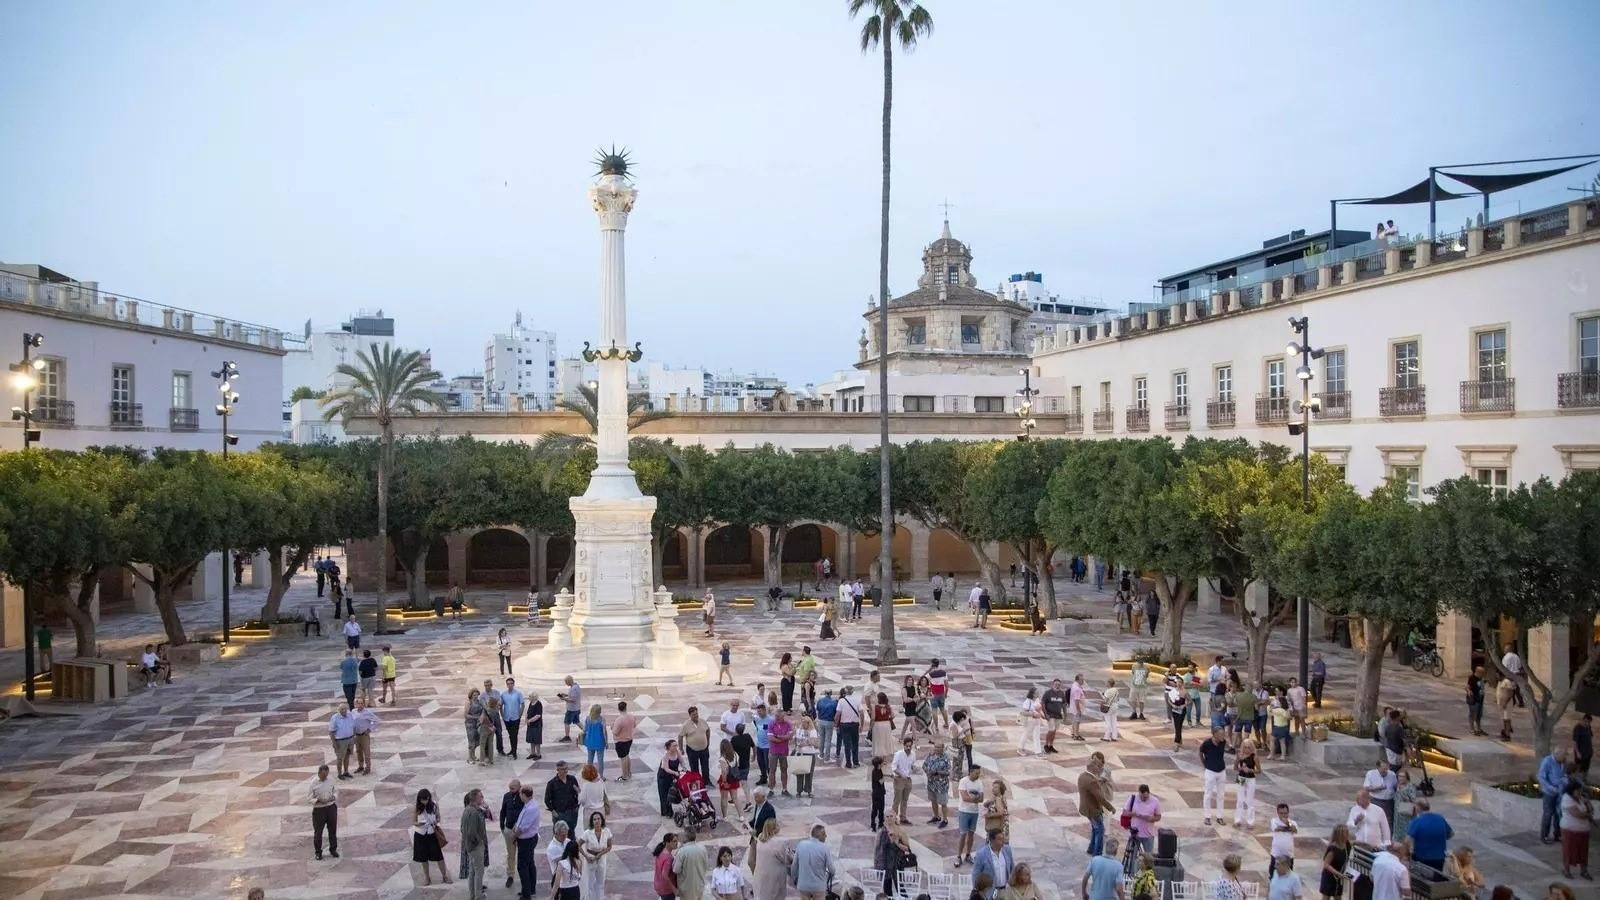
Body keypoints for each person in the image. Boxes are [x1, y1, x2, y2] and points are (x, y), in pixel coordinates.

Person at [412, 788, 451, 886]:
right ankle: (427, 878)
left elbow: (438, 817)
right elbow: (414, 821)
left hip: (431, 833)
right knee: (423, 858)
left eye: (426, 799)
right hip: (420, 834)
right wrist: (419, 824)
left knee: (439, 856)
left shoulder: (434, 805)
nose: (425, 801)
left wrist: (436, 821)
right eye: (423, 800)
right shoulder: (417, 807)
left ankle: (444, 876)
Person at [1078, 754, 1114, 857]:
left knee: (1095, 829)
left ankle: (1091, 848)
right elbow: (1101, 798)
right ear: (1093, 768)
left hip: (1086, 808)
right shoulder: (1092, 781)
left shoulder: (1082, 776)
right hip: (1093, 810)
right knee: (1100, 830)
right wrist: (1111, 808)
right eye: (1097, 767)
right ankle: (1097, 853)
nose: (1099, 769)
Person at [1406, 796, 1453, 872]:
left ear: (1418, 807)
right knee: (1437, 878)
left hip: (1422, 857)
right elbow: (1450, 834)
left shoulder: (1417, 821)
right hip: (1439, 857)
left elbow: (1407, 840)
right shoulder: (1440, 818)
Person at [750, 819, 793, 900]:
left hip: (761, 875)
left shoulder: (760, 838)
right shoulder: (779, 843)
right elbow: (786, 859)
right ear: (774, 828)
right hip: (774, 877)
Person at [791, 823, 836, 900]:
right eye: (824, 834)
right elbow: (832, 869)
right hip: (818, 887)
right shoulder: (825, 848)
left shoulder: (801, 844)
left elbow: (794, 865)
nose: (826, 836)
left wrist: (795, 878)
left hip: (803, 885)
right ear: (819, 836)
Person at [460, 788, 490, 897]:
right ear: (475, 798)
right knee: (479, 872)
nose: (482, 798)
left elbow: (462, 828)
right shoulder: (473, 812)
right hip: (475, 847)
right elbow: (471, 832)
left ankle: (472, 894)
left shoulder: (468, 809)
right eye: (481, 796)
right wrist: (479, 841)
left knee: (472, 871)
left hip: (470, 847)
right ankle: (478, 895)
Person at [1561, 780, 1593, 879]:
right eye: (1578, 790)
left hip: (1583, 830)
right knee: (1569, 851)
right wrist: (1588, 815)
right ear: (1572, 790)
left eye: (1580, 790)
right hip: (1570, 830)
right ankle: (1567, 870)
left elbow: (1591, 809)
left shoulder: (1580, 798)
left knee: (1583, 851)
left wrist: (1587, 802)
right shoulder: (1566, 799)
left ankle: (1584, 871)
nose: (1579, 792)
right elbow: (1577, 814)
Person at [579, 810, 615, 900]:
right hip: (590, 858)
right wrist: (586, 856)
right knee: (590, 883)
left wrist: (600, 854)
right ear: (592, 821)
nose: (597, 821)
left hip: (602, 858)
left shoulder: (606, 831)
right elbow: (578, 845)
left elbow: (609, 846)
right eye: (594, 819)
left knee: (600, 882)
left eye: (598, 819)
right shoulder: (587, 833)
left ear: (602, 820)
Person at [954, 764, 985, 867]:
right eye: (976, 773)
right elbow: (964, 798)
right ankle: (958, 856)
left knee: (971, 834)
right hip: (964, 811)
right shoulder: (963, 781)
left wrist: (973, 798)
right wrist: (975, 799)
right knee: (963, 834)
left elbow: (981, 799)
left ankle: (968, 854)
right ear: (971, 772)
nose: (978, 775)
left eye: (979, 773)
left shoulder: (979, 782)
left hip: (974, 812)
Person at [972, 831, 1015, 900]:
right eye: (1000, 839)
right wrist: (977, 891)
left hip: (1005, 889)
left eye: (1003, 838)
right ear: (992, 840)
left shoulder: (1007, 849)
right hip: (990, 891)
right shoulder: (981, 854)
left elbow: (1012, 868)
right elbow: (975, 874)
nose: (1003, 841)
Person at [1541, 748, 1571, 846]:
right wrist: (1551, 787)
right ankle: (1544, 836)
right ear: (1557, 754)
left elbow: (1565, 774)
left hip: (1560, 792)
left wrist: (1565, 780)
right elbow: (1541, 777)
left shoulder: (1563, 762)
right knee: (1548, 814)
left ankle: (1557, 835)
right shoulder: (1547, 761)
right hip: (1549, 793)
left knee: (1558, 814)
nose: (1565, 759)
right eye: (1564, 756)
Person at [309, 763, 339, 860]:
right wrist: (318, 800)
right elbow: (309, 798)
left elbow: (336, 791)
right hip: (319, 810)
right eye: (323, 775)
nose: (325, 777)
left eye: (326, 774)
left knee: (332, 830)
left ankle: (333, 849)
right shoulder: (313, 783)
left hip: (331, 808)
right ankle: (318, 852)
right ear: (319, 773)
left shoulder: (331, 780)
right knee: (318, 832)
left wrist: (333, 797)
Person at [1200, 727, 1228, 825]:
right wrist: (1205, 764)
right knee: (1208, 794)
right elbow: (1200, 752)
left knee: (1221, 795)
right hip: (1210, 771)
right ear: (1215, 734)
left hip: (1221, 771)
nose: (1222, 736)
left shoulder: (1223, 742)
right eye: (1220, 734)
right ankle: (1207, 816)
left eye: (1223, 734)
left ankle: (1219, 816)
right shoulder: (1207, 743)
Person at [673, 826, 710, 900]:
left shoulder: (682, 851)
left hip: (687, 888)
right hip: (699, 886)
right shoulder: (702, 848)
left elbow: (676, 870)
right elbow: (706, 866)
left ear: (685, 837)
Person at [545, 760, 580, 834]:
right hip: (560, 813)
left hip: (572, 811)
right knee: (559, 834)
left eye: (566, 768)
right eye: (563, 769)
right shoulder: (552, 783)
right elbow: (547, 799)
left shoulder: (572, 779)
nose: (566, 771)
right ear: (558, 770)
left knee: (571, 833)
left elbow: (578, 792)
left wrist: (577, 807)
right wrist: (553, 811)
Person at [680, 705, 712, 781]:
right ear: (690, 715)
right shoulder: (686, 725)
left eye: (697, 714)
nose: (696, 716)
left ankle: (706, 781)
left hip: (704, 749)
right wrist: (681, 748)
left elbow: (708, 730)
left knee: (705, 767)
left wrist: (708, 741)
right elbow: (680, 736)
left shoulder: (703, 721)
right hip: (692, 750)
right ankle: (697, 782)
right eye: (694, 714)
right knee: (694, 768)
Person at [924, 738, 952, 828]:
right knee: (933, 800)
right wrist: (928, 772)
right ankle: (936, 816)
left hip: (941, 785)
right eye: (936, 747)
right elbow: (924, 765)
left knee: (943, 803)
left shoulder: (946, 758)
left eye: (939, 747)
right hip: (931, 783)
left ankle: (945, 819)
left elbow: (948, 772)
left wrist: (937, 772)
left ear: (942, 748)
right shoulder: (930, 755)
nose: (937, 749)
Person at [1128, 784, 1162, 858]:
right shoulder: (1133, 798)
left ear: (1148, 793)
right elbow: (1125, 813)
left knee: (1149, 858)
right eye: (1142, 797)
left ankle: (1148, 870)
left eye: (1146, 797)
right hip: (1135, 833)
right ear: (1139, 793)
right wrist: (1134, 814)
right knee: (1132, 857)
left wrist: (1151, 818)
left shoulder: (1155, 801)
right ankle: (1133, 869)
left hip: (1148, 834)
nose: (1144, 799)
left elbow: (1159, 816)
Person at [1364, 758, 1399, 829]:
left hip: (1389, 801)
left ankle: (1388, 837)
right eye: (1383, 769)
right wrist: (1378, 788)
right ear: (1378, 767)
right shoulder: (1370, 774)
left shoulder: (1392, 774)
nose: (1385, 771)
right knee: (1375, 819)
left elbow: (1396, 786)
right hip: (1376, 800)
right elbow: (1366, 788)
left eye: (1386, 769)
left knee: (1389, 820)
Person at [1320, 825, 1351, 900]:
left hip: (1339, 876)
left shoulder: (1346, 844)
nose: (1348, 834)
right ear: (1340, 835)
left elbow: (1354, 844)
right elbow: (1326, 865)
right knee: (1326, 897)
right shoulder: (1333, 849)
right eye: (1345, 833)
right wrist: (1338, 874)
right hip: (1330, 876)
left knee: (1338, 896)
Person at [1234, 738, 1261, 827]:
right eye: (1245, 747)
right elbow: (1235, 768)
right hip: (1241, 777)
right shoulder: (1239, 755)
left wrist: (1250, 770)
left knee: (1250, 800)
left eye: (1249, 747)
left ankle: (1250, 821)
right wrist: (1241, 769)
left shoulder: (1254, 757)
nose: (1247, 749)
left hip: (1251, 778)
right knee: (1240, 799)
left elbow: (1259, 771)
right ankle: (1237, 819)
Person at [891, 737, 917, 826]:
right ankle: (893, 818)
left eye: (910, 746)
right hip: (899, 779)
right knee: (897, 800)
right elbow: (894, 768)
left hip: (908, 779)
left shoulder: (913, 754)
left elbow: (912, 765)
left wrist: (914, 768)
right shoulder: (898, 754)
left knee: (905, 800)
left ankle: (903, 817)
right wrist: (902, 775)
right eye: (907, 746)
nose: (908, 748)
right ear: (904, 745)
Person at [1268, 803, 1299, 875]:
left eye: (1285, 813)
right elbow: (1277, 829)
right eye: (1281, 813)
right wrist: (1288, 828)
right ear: (1278, 813)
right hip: (1276, 854)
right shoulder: (1274, 821)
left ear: (1288, 813)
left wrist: (1288, 823)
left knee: (1288, 875)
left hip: (1289, 854)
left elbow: (1294, 830)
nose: (1283, 815)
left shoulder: (1292, 822)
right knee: (1273, 874)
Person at [328, 702, 357, 779]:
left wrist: (353, 738)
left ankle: (346, 771)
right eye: (341, 709)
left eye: (345, 709)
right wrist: (334, 743)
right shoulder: (335, 717)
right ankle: (339, 773)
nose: (343, 711)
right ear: (339, 710)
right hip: (340, 741)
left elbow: (353, 726)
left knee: (347, 756)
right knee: (340, 758)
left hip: (350, 739)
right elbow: (331, 732)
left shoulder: (350, 715)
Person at [351, 698, 378, 775]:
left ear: (364, 704)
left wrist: (370, 729)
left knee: (366, 752)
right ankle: (361, 766)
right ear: (356, 704)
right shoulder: (353, 711)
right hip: (356, 735)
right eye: (358, 703)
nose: (360, 705)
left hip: (364, 735)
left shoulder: (367, 712)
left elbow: (377, 721)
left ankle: (368, 767)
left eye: (361, 703)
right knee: (358, 751)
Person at [837, 687, 862, 768]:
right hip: (855, 724)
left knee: (847, 745)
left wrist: (836, 723)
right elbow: (862, 713)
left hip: (844, 725)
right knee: (855, 744)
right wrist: (862, 724)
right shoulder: (857, 700)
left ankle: (848, 763)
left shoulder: (841, 701)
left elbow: (838, 713)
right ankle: (856, 762)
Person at [581, 704, 609, 778]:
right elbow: (604, 732)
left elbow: (585, 730)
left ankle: (589, 775)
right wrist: (606, 742)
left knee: (590, 760)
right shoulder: (602, 720)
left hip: (589, 742)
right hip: (600, 743)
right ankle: (601, 776)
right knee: (600, 761)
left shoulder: (587, 719)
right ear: (599, 711)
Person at [653, 833, 680, 900]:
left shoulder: (661, 851)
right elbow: (665, 875)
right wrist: (674, 889)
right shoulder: (668, 858)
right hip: (666, 889)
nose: (677, 843)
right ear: (667, 842)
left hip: (659, 885)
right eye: (674, 841)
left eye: (677, 841)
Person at [1018, 687, 1044, 755]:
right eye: (1036, 692)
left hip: (1037, 720)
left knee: (1037, 736)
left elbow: (1039, 709)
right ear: (1033, 694)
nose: (1038, 693)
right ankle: (1020, 748)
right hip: (1029, 720)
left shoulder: (1037, 700)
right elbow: (1024, 712)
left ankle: (1038, 752)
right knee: (1026, 734)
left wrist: (1042, 715)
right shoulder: (1028, 701)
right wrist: (1033, 714)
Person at [558, 675, 583, 743]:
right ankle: (587, 731)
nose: (565, 683)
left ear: (569, 681)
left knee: (566, 722)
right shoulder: (575, 686)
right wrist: (565, 695)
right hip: (576, 708)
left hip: (572, 709)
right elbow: (572, 696)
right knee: (577, 721)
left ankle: (567, 736)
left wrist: (564, 699)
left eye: (566, 682)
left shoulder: (574, 688)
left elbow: (573, 700)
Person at [1166, 676, 1188, 749]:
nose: (1178, 684)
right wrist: (1172, 705)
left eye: (1180, 682)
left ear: (1182, 683)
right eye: (1177, 682)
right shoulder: (1173, 691)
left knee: (1179, 725)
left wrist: (1184, 705)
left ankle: (1177, 742)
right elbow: (1169, 700)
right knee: (1177, 726)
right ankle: (1179, 740)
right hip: (1175, 710)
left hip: (1182, 710)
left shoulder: (1185, 691)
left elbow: (1189, 701)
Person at [1466, 666, 1488, 736]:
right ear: (1478, 672)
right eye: (1482, 673)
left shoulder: (1481, 679)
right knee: (1472, 714)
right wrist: (1469, 691)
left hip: (1480, 699)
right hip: (1474, 699)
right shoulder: (1472, 678)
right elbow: (1467, 687)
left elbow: (1482, 687)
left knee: (1479, 715)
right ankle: (1472, 729)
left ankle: (1479, 728)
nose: (1483, 674)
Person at [1496, 674, 1517, 741]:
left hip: (1507, 703)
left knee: (1507, 719)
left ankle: (1507, 735)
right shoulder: (1500, 682)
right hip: (1502, 703)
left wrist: (1505, 702)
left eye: (1497, 675)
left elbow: (1509, 693)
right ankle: (1505, 731)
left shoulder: (1507, 681)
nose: (1496, 676)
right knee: (1504, 719)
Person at [527, 692, 545, 761]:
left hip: (537, 725)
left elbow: (538, 715)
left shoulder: (538, 704)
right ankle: (532, 753)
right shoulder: (531, 703)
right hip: (530, 725)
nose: (529, 697)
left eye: (530, 696)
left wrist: (530, 720)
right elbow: (528, 712)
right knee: (531, 739)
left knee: (537, 740)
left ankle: (538, 754)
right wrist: (527, 719)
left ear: (534, 697)